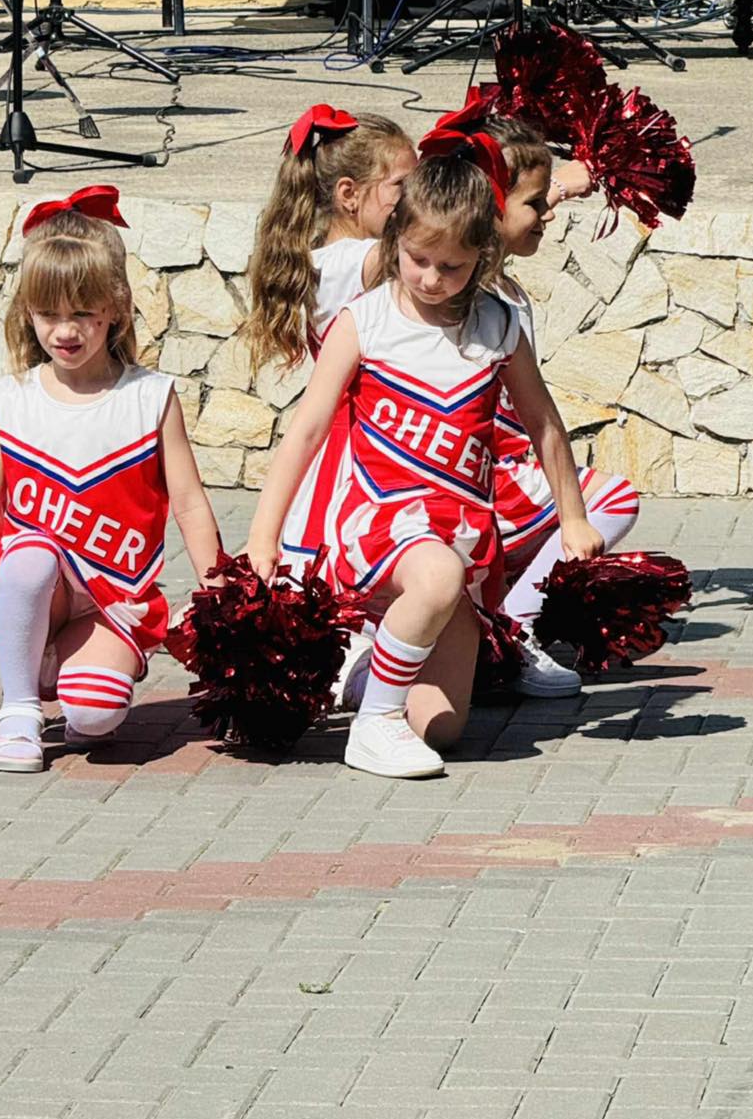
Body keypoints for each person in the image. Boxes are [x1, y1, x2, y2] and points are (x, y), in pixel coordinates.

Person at [246, 126, 603, 780]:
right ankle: (373, 725)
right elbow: (306, 430)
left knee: (443, 728)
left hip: (462, 531)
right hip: (378, 520)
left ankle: (374, 670)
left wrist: (574, 516)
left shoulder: (497, 325)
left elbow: (544, 425)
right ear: (395, 241)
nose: (432, 278)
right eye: (417, 259)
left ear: (484, 254)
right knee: (434, 576)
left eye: (452, 267)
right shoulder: (366, 321)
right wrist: (263, 535)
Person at [0, 186, 220, 772]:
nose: (65, 331)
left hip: (113, 598)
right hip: (36, 589)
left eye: (83, 313)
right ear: (27, 312)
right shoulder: (13, 398)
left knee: (95, 714)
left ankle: (69, 671)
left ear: (115, 308)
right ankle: (18, 707)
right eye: (49, 314)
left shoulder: (150, 396)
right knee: (30, 555)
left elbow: (189, 503)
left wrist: (222, 596)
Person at [485, 115, 640, 685]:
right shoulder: (471, 294)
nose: (547, 215)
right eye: (536, 203)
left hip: (497, 472)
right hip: (479, 481)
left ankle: (495, 620)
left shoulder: (494, 286)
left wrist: (563, 182)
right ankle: (511, 630)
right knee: (613, 500)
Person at [240, 105, 415, 579]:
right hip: (353, 448)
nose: (415, 198)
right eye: (402, 186)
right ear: (349, 194)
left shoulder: (328, 258)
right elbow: (431, 239)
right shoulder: (349, 262)